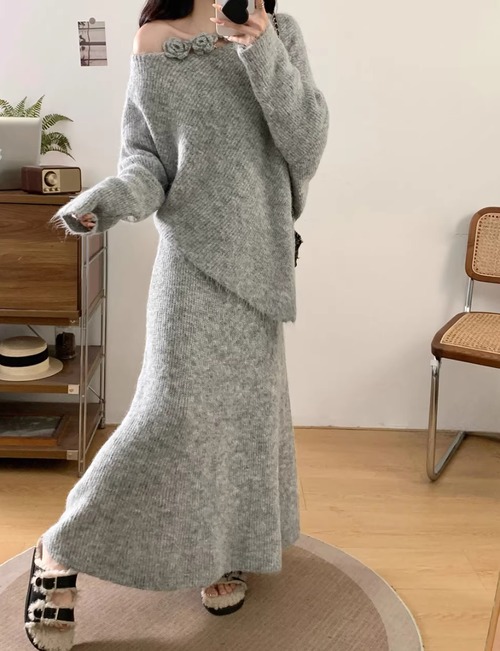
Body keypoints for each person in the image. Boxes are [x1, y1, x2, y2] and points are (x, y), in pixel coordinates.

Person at [24, 0, 329, 649]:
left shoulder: (278, 33)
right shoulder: (154, 39)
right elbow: (147, 164)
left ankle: (222, 551)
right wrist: (109, 200)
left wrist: (261, 50)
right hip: (190, 262)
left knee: (240, 421)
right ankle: (59, 549)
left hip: (261, 264)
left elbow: (305, 144)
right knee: (168, 415)